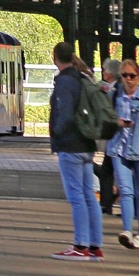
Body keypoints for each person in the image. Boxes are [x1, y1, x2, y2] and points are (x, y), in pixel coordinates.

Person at [49, 42, 104, 260]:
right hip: (86, 145)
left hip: (70, 146)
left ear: (55, 58)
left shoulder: (64, 82)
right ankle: (95, 247)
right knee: (89, 195)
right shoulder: (83, 78)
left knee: (77, 197)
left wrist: (57, 134)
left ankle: (80, 246)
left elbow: (66, 114)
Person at [114, 59, 139, 248]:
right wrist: (115, 122)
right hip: (119, 149)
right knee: (126, 191)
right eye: (124, 75)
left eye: (132, 76)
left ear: (138, 78)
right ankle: (127, 230)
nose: (128, 79)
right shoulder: (115, 96)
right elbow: (105, 116)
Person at [98, 59, 123, 214]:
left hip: (117, 137)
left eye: (104, 70)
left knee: (108, 170)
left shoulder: (118, 89)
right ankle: (107, 201)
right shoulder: (112, 87)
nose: (103, 73)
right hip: (114, 138)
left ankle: (107, 202)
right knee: (108, 170)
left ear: (110, 73)